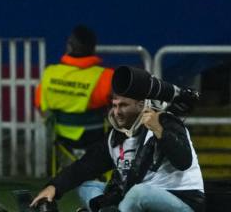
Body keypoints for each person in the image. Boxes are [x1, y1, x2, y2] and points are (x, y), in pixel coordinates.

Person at [31, 88, 205, 212]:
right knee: (86, 185)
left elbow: (183, 161)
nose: (116, 112)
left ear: (140, 105)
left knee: (139, 192)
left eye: (123, 105)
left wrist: (158, 130)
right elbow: (84, 166)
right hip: (134, 204)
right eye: (114, 105)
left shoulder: (167, 121)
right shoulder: (115, 137)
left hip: (182, 201)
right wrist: (53, 187)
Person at [36, 25, 115, 152]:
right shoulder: (106, 77)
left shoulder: (49, 74)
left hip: (62, 138)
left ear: (69, 46)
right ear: (94, 48)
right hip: (97, 138)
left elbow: (41, 107)